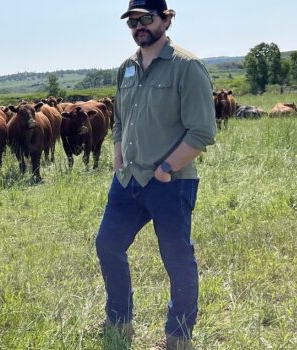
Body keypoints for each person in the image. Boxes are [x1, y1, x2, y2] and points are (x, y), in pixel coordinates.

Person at [95, 1, 217, 349]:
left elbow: (202, 131)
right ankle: (119, 320)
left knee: (177, 259)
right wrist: (118, 153)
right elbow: (119, 118)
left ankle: (178, 336)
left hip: (170, 183)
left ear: (167, 19)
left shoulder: (187, 66)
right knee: (107, 244)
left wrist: (166, 168)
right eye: (132, 21)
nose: (139, 27)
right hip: (128, 180)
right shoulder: (127, 68)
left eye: (147, 18)